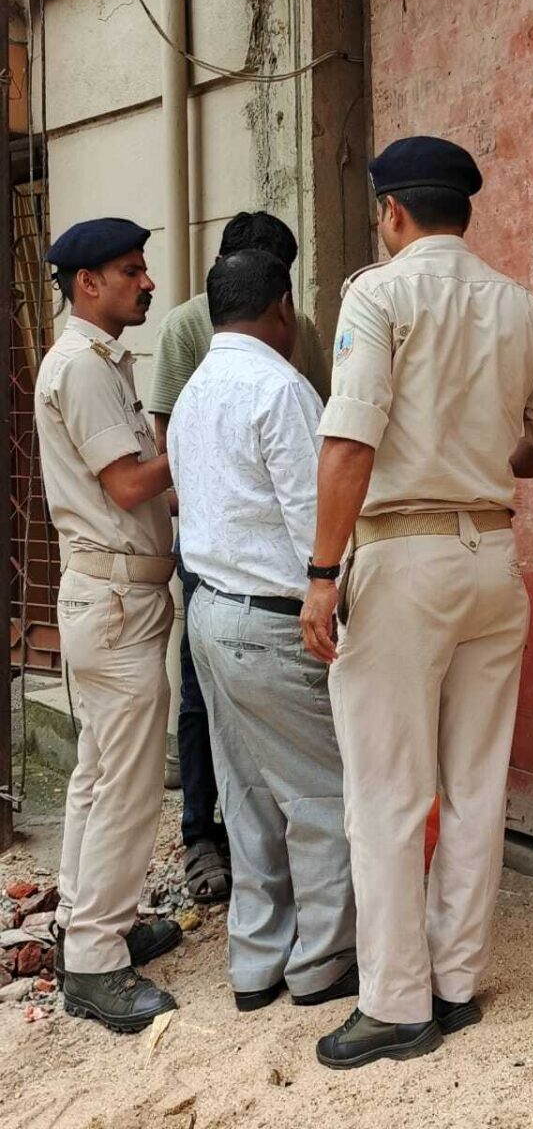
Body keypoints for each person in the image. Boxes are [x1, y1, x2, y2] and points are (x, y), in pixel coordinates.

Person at [302, 136, 533, 1069]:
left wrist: (321, 573)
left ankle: (394, 1005)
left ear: (391, 212)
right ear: (464, 210)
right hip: (490, 555)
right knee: (475, 784)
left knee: (386, 791)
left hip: (403, 557)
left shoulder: (377, 294)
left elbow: (350, 442)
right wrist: (478, 461)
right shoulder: (524, 307)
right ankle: (456, 984)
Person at [168, 249, 357, 1012]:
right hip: (274, 622)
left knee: (247, 797)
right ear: (283, 308)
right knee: (323, 795)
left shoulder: (192, 392)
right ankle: (323, 964)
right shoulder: (282, 389)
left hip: (209, 613)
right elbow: (317, 523)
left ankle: (256, 964)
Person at [147, 212, 331, 906]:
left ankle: (262, 929)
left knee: (260, 768)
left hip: (243, 572)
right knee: (212, 707)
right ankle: (201, 832)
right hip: (236, 569)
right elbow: (169, 442)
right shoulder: (194, 333)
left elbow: (318, 436)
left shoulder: (287, 344)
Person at [34, 218, 183, 1033]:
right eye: (131, 270)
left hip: (114, 600)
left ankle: (86, 925)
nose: (147, 282)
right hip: (116, 601)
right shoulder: (84, 367)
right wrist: (201, 441)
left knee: (98, 773)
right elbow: (128, 486)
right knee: (127, 784)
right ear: (87, 283)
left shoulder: (100, 361)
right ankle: (96, 963)